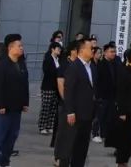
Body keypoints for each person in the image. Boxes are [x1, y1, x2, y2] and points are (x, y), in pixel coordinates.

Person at [0, 34, 29, 167]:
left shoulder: (21, 63)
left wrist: (25, 102)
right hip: (3, 108)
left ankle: (5, 162)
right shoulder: (2, 63)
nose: (22, 48)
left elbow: (25, 84)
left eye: (22, 46)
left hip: (16, 108)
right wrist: (0, 104)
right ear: (10, 48)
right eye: (19, 46)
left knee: (12, 137)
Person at [56, 39, 96, 167]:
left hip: (87, 114)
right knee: (68, 147)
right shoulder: (74, 67)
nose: (93, 50)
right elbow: (69, 91)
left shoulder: (92, 67)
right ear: (82, 50)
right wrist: (70, 111)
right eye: (90, 48)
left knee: (81, 148)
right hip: (74, 115)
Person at [112, 47, 131, 167]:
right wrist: (122, 112)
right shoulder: (124, 71)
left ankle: (125, 160)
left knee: (130, 139)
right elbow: (120, 93)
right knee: (124, 139)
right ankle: (121, 162)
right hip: (126, 111)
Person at [93, 43, 119, 144]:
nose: (113, 53)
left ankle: (104, 134)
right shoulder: (100, 65)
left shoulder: (114, 64)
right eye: (111, 52)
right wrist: (97, 95)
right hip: (102, 95)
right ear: (105, 53)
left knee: (108, 116)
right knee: (99, 116)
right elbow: (96, 81)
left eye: (114, 52)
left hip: (111, 95)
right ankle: (95, 134)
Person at [40, 42, 62, 135]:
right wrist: (57, 71)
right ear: (52, 49)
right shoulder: (48, 58)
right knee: (46, 107)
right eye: (58, 49)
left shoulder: (58, 60)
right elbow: (46, 71)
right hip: (48, 86)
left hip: (56, 87)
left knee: (53, 108)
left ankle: (49, 126)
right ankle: (42, 126)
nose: (59, 50)